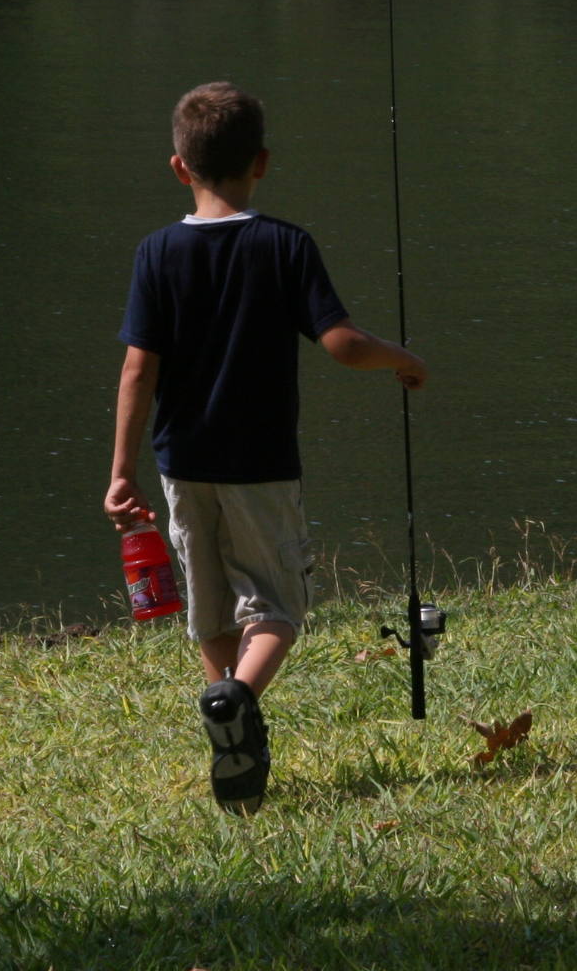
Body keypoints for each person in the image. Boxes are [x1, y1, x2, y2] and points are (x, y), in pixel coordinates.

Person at [104, 81, 427, 814]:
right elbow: (342, 344)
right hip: (261, 465)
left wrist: (122, 469)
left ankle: (236, 721)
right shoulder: (284, 244)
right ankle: (235, 700)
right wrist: (402, 358)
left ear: (179, 167)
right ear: (262, 162)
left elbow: (137, 368)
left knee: (213, 608)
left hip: (180, 463)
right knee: (278, 605)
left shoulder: (156, 253)